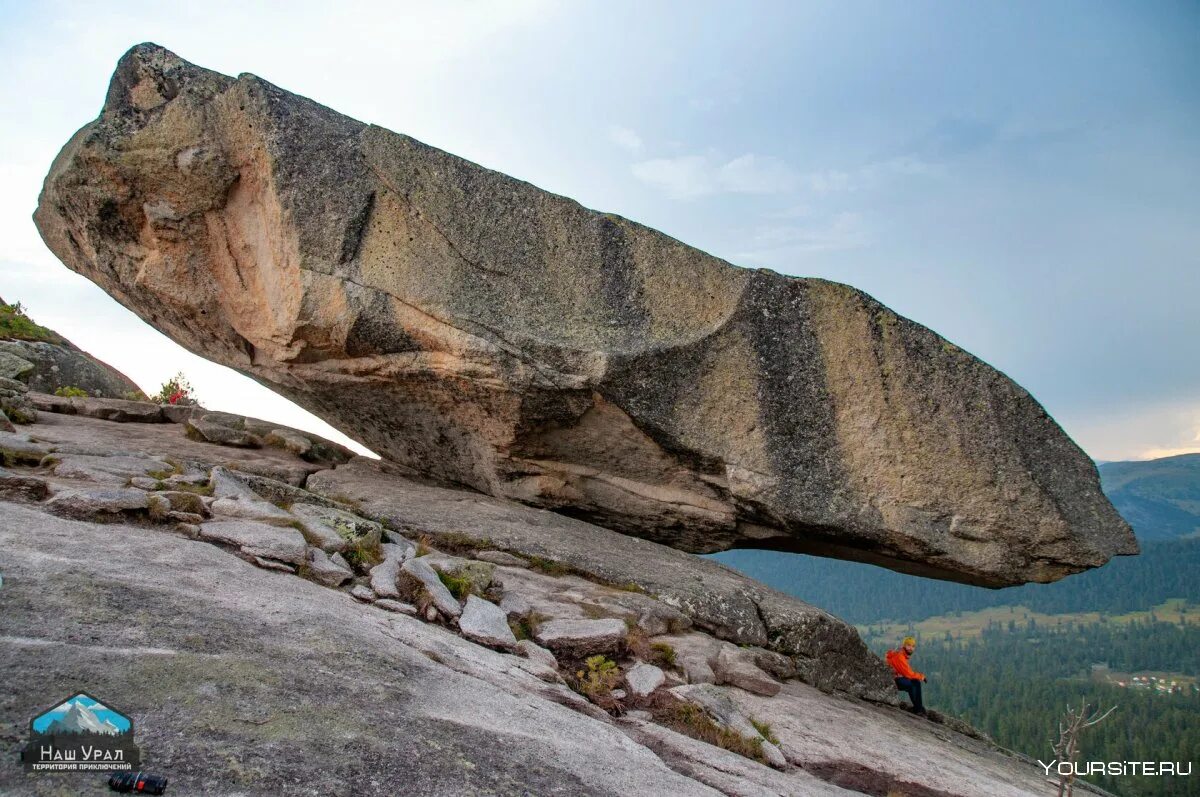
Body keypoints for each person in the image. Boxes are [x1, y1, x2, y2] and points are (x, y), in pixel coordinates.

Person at [885, 636, 927, 715]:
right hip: (892, 680)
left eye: (913, 646)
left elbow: (907, 673)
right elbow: (908, 674)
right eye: (909, 645)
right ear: (904, 646)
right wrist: (922, 677)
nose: (911, 648)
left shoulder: (900, 654)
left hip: (893, 678)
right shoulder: (899, 656)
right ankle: (918, 709)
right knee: (915, 683)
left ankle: (918, 708)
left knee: (914, 683)